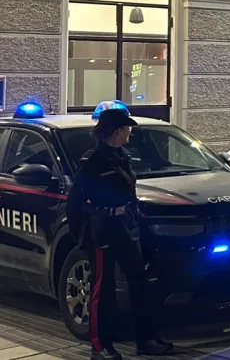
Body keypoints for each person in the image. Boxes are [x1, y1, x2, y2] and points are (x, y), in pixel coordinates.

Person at [66, 106, 173, 360]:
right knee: (103, 290)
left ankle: (145, 339)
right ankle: (100, 346)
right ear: (116, 131)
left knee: (139, 283)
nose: (130, 133)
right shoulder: (93, 162)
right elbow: (75, 201)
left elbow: (129, 194)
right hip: (103, 232)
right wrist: (81, 234)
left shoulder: (122, 156)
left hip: (125, 228)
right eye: (126, 128)